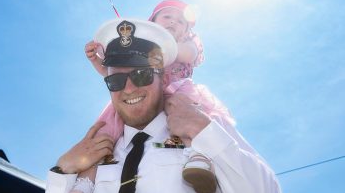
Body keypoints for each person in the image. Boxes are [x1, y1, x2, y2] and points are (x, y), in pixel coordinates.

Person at [46, 18, 281, 193]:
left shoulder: (202, 130)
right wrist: (62, 171)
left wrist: (204, 131)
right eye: (116, 80)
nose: (128, 89)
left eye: (141, 75)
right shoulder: (98, 154)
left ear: (165, 79)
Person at [81, 0, 235, 193]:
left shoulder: (188, 42)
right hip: (143, 92)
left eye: (180, 21)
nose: (173, 22)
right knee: (103, 134)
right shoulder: (144, 48)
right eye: (167, 16)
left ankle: (198, 158)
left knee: (183, 119)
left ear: (187, 30)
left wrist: (155, 45)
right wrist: (98, 60)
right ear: (153, 21)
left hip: (177, 91)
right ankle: (84, 181)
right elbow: (116, 76)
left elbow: (187, 54)